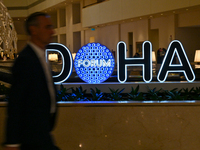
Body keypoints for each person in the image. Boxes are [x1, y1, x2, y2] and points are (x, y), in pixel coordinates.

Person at [3, 12, 60, 150]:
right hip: (31, 138)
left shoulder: (40, 57)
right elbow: (16, 103)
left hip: (42, 133)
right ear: (34, 30)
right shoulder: (26, 60)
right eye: (47, 27)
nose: (52, 31)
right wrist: (12, 142)